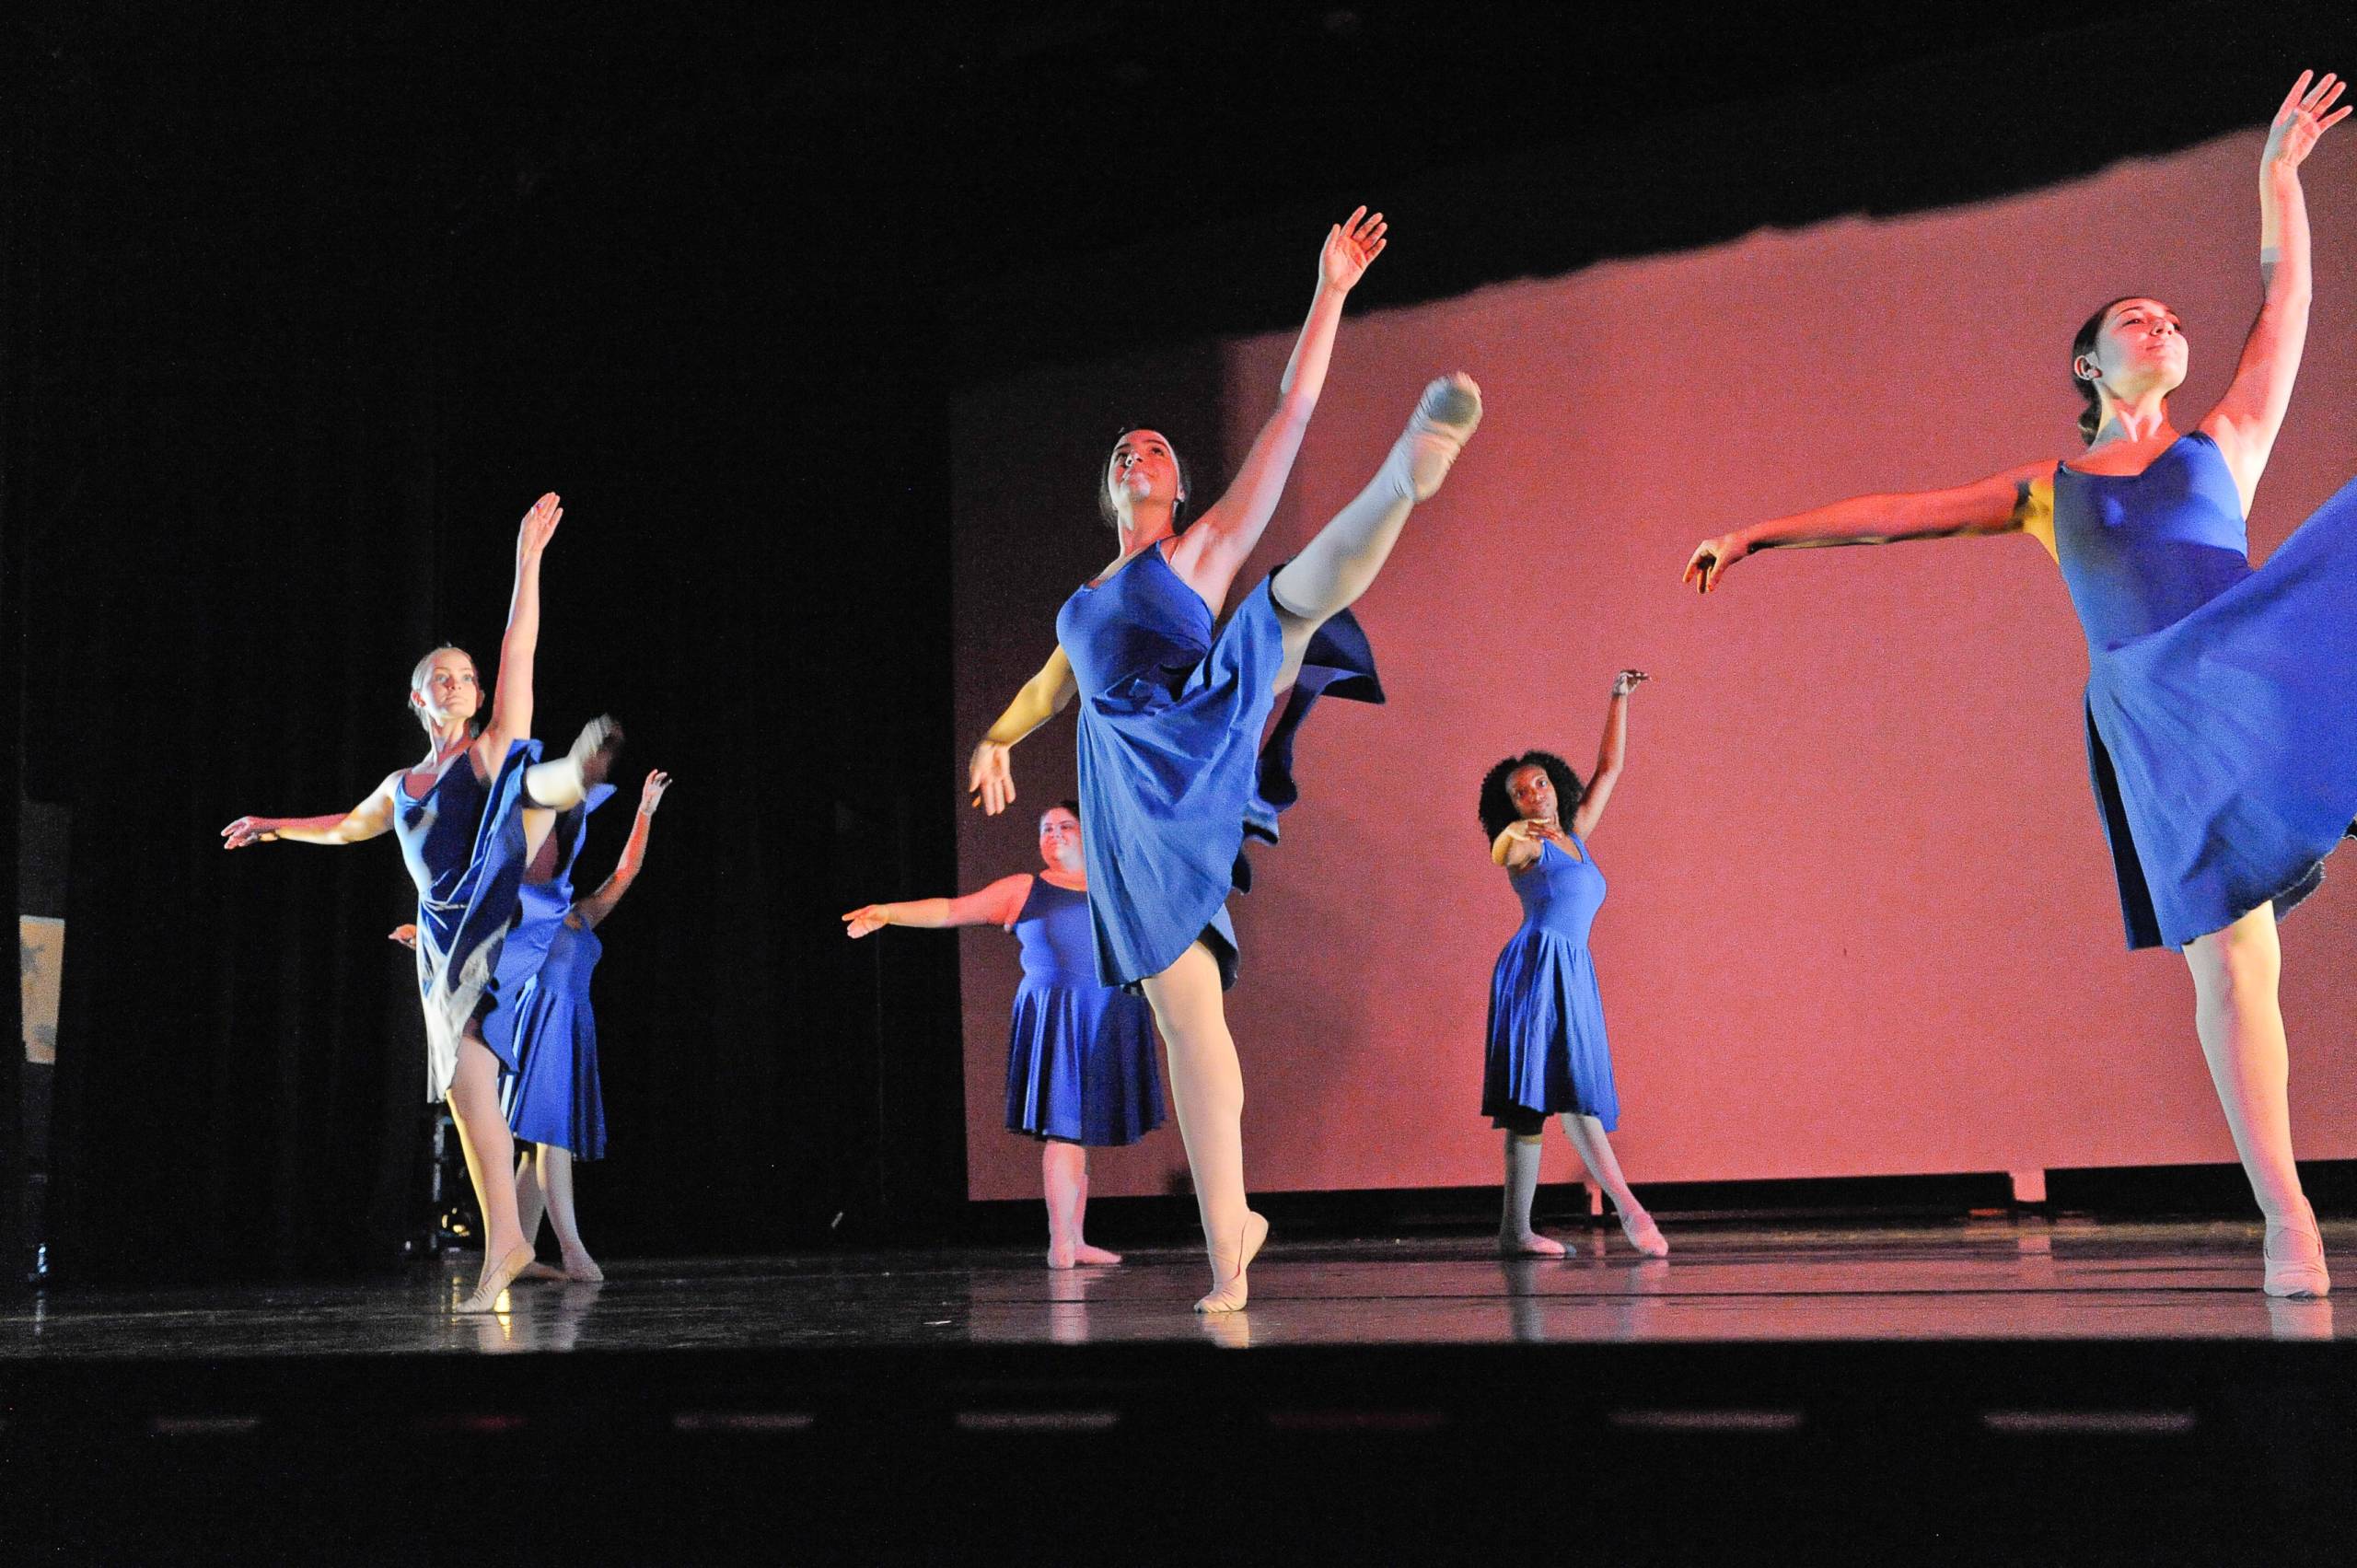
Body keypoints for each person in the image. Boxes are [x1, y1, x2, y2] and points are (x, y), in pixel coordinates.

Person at [1681, 75, 2350, 1296]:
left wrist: (2279, 178)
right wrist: (1762, 529)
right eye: (2131, 319)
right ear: (2087, 362)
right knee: (2236, 964)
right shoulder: (2048, 485)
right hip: (2157, 714)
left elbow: (2289, 297)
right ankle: (2285, 1210)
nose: (2158, 323)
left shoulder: (2225, 441)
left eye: (2167, 318)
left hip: (2247, 669)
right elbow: (1895, 516)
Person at [970, 208, 1483, 1310]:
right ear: (1109, 489)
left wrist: (1330, 291)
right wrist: (997, 736)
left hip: (1193, 734)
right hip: (1129, 814)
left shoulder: (1193, 551)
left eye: (1153, 447)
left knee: (1280, 606)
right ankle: (1230, 1237)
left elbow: (1291, 414)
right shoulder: (1077, 604)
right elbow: (1048, 690)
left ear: (1175, 489)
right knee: (1185, 1016)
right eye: (1122, 450)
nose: (1133, 451)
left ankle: (1404, 475)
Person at [222, 493, 621, 1311]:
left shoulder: (484, 746)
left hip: (495, 910)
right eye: (440, 677)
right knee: (463, 1082)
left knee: (523, 782)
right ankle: (506, 1237)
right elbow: (344, 828)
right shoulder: (401, 786)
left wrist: (527, 561)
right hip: (440, 939)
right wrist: (273, 826)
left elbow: (521, 644)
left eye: (464, 675)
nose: (456, 681)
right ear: (419, 700)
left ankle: (568, 780)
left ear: (474, 696)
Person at [844, 800, 1164, 1268]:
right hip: (1057, 1015)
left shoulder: (1116, 888)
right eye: (1045, 829)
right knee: (1065, 1133)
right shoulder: (1025, 889)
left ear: (1089, 832)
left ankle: (1074, 1238)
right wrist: (890, 912)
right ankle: (1061, 1244)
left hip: (1109, 1012)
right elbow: (952, 910)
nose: (1053, 835)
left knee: (1080, 1134)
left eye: (1065, 827)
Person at [1479, 671, 1668, 1260]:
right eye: (1521, 792)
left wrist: (1617, 698)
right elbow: (1502, 853)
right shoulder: (1528, 843)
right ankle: (1630, 1210)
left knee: (1555, 1096)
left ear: (1555, 785)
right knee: (1543, 1099)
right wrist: (1513, 830)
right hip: (1536, 969)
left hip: (1571, 972)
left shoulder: (1576, 835)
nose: (1535, 793)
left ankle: (1516, 1230)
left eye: (1539, 783)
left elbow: (1609, 768)